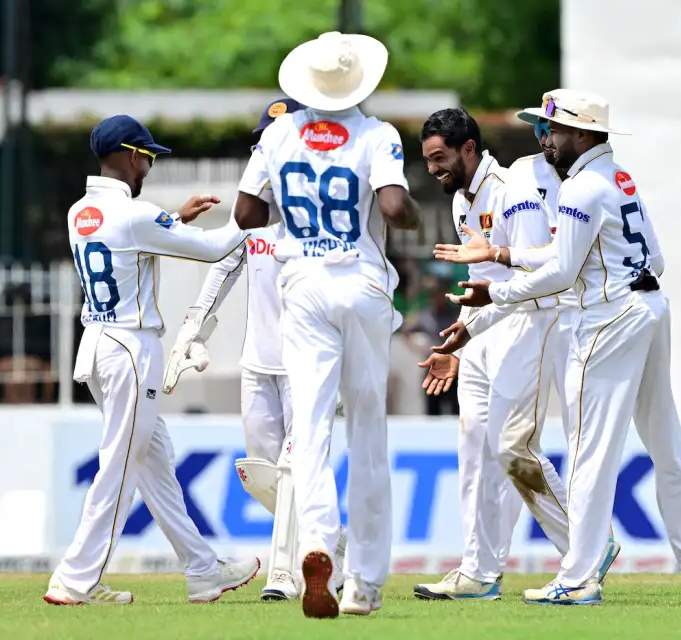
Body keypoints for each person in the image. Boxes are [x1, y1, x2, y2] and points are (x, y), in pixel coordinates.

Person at [440, 90, 681, 606]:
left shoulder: (579, 187)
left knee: (588, 454)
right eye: (545, 130)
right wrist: (504, 253)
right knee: (667, 446)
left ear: (584, 134)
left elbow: (562, 271)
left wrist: (495, 289)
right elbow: (654, 259)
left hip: (607, 318)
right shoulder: (619, 178)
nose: (546, 140)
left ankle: (577, 579)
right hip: (650, 309)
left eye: (555, 131)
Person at [233, 32, 420, 618]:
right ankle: (364, 581)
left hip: (302, 286)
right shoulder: (376, 134)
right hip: (360, 281)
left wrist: (293, 213)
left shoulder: (279, 133)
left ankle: (315, 546)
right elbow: (392, 208)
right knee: (367, 431)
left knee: (309, 429)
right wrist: (412, 215)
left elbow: (245, 213)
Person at [47, 114, 260, 606]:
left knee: (153, 464)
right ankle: (76, 578)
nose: (149, 167)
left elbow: (128, 246)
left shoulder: (82, 211)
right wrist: (251, 212)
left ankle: (203, 570)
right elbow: (213, 250)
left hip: (99, 344)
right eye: (146, 158)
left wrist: (174, 220)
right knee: (120, 466)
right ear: (126, 156)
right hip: (130, 350)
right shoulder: (136, 215)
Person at [413, 108, 617, 602]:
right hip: (487, 334)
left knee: (511, 449)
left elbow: (538, 278)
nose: (432, 169)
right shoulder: (464, 202)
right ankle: (478, 572)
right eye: (427, 160)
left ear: (468, 149)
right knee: (475, 455)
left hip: (531, 325)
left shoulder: (514, 194)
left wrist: (483, 317)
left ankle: (587, 544)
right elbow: (486, 287)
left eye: (440, 158)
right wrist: (460, 336)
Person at [162, 98, 349, 602]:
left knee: (294, 472)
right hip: (257, 365)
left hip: (308, 365)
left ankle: (284, 575)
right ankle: (329, 543)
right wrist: (192, 331)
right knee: (262, 474)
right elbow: (222, 268)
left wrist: (346, 362)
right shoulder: (253, 214)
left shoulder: (322, 213)